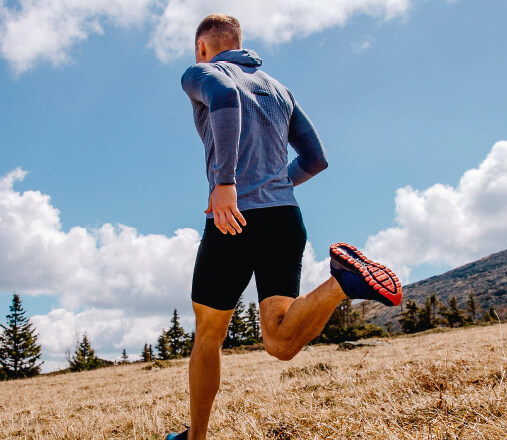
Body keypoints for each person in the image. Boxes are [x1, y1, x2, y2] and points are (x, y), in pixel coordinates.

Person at [166, 14, 403, 440]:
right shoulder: (278, 89)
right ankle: (341, 284)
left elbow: (223, 97)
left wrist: (226, 184)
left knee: (209, 334)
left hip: (234, 220)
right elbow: (316, 159)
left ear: (202, 46)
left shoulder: (202, 73)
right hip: (285, 218)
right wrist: (273, 184)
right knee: (279, 341)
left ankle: (196, 438)